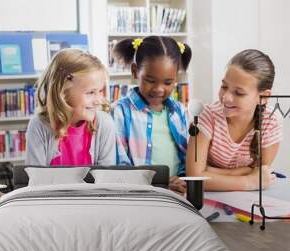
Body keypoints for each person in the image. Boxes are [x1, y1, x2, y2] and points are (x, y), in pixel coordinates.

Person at [186, 49, 282, 191]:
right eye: (224, 86)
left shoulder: (271, 121)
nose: (226, 97)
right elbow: (194, 178)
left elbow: (262, 173)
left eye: (239, 93)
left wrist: (211, 172)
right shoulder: (206, 116)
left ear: (264, 97)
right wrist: (249, 181)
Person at [112, 36, 192, 193]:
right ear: (135, 71)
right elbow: (119, 166)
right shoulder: (120, 112)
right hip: (140, 195)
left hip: (177, 193)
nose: (159, 89)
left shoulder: (180, 111)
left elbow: (187, 156)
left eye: (168, 83)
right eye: (150, 80)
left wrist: (181, 179)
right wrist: (159, 183)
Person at [26, 49, 116, 166]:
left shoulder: (104, 124)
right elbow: (35, 178)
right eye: (90, 92)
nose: (98, 100)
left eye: (100, 91)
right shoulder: (39, 125)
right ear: (62, 92)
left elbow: (106, 179)